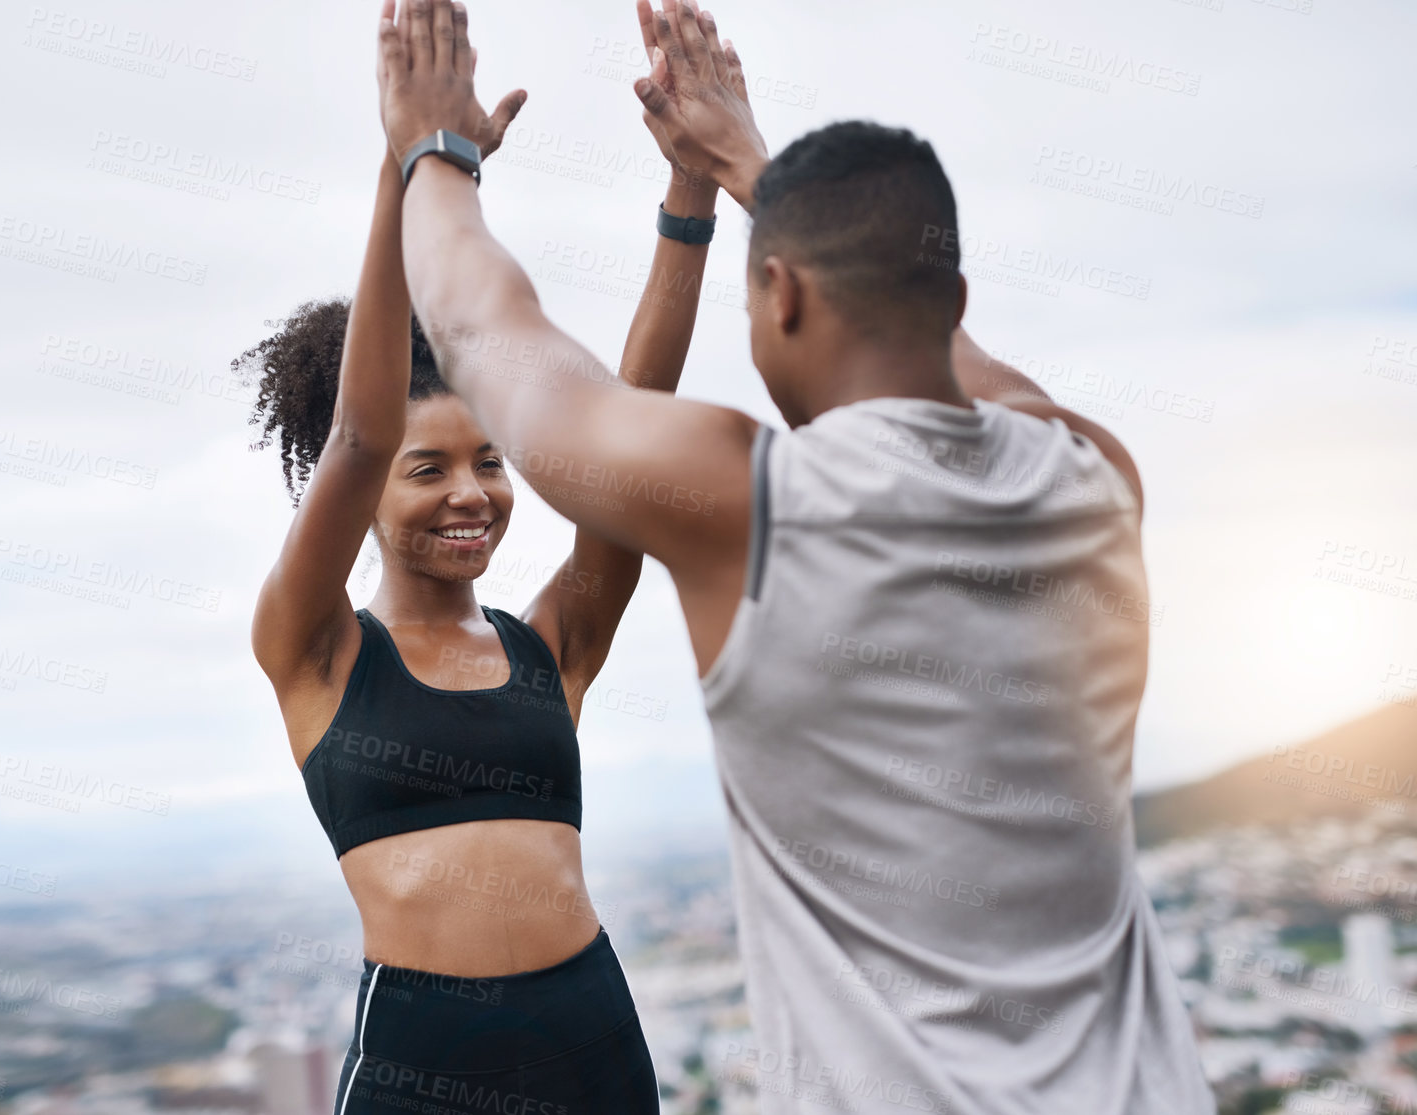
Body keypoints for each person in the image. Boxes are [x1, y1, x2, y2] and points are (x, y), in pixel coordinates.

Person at [369, 0, 1216, 1111]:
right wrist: (751, 167)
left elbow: (484, 329)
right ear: (950, 298)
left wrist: (433, 147)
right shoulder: (1095, 476)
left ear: (778, 294)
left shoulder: (757, 503)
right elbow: (990, 378)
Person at [242, 10, 739, 1108]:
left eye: (490, 462)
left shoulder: (547, 648)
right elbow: (362, 428)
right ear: (360, 492)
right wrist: (411, 162)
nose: (471, 493)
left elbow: (629, 419)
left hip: (596, 1053)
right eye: (429, 470)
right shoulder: (314, 649)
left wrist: (690, 194)